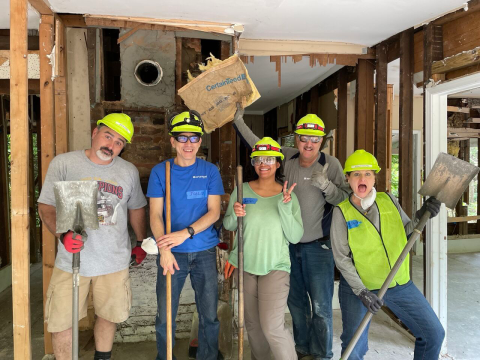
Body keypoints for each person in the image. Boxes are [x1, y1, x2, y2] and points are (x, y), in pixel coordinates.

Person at [232, 106, 349, 359]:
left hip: (318, 246)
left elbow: (345, 199)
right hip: (286, 246)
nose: (308, 144)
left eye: (314, 139)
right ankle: (301, 348)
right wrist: (237, 120)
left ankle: (322, 354)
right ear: (296, 139)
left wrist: (327, 186)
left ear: (322, 141)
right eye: (304, 138)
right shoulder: (286, 157)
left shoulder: (332, 165)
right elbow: (258, 146)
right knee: (295, 304)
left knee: (320, 305)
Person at [38, 113, 148, 360]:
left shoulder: (128, 171)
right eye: (108, 136)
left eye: (119, 142)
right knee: (61, 321)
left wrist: (140, 242)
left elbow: (137, 207)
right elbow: (46, 206)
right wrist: (62, 234)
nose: (111, 145)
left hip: (113, 261)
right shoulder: (64, 164)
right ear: (94, 132)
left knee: (109, 315)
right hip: (71, 260)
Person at [331, 149, 445, 360]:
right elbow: (341, 258)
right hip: (360, 288)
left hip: (398, 283)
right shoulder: (341, 212)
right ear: (348, 178)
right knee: (353, 347)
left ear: (374, 177)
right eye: (356, 174)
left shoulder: (388, 200)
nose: (362, 178)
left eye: (367, 174)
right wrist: (362, 291)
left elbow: (407, 230)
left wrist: (421, 215)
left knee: (433, 334)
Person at [147, 110, 225, 360]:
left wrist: (186, 233)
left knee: (209, 314)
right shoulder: (161, 172)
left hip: (203, 251)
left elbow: (214, 213)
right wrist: (165, 250)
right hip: (172, 254)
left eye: (194, 138)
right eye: (182, 138)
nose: (188, 144)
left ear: (200, 141)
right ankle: (164, 357)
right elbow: (155, 215)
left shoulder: (210, 171)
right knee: (165, 314)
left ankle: (208, 356)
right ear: (173, 141)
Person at [223, 137, 304, 360]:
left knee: (272, 327)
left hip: (275, 267)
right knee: (253, 326)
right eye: (258, 159)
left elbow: (295, 237)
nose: (263, 163)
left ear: (278, 163)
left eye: (269, 159)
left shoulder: (288, 195)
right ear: (253, 163)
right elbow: (229, 225)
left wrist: (285, 208)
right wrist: (235, 213)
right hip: (246, 266)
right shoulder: (242, 190)